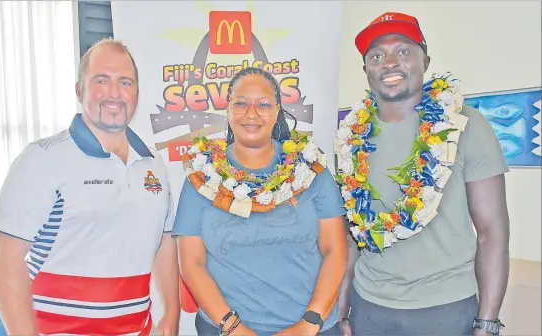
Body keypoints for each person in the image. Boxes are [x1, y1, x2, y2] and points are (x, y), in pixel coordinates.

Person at [0, 38, 180, 336]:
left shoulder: (153, 165)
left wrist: (170, 316)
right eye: (101, 80)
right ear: (80, 90)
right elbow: (3, 257)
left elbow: (164, 243)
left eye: (125, 82)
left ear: (137, 93)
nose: (115, 93)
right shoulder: (43, 159)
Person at [334, 12, 511, 336]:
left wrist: (488, 323)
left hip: (447, 309)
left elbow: (492, 234)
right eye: (376, 55)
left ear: (425, 60)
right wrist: (342, 310)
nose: (389, 62)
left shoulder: (466, 126)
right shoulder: (350, 139)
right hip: (369, 306)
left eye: (402, 51)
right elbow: (351, 237)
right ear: (366, 71)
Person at [172, 67, 348, 336]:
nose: (251, 113)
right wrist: (234, 329)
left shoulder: (310, 169)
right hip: (224, 329)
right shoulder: (201, 174)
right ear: (227, 109)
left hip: (312, 329)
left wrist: (309, 324)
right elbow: (191, 263)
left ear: (277, 110)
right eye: (241, 103)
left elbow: (335, 251)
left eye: (263, 104)